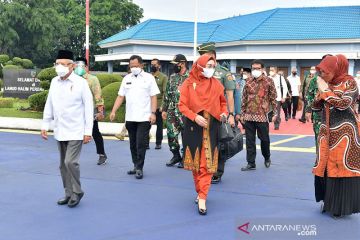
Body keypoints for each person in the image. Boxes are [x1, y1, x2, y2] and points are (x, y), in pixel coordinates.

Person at [41, 50, 93, 208]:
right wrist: (45, 125)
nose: (60, 67)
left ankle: (77, 192)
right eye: (58, 64)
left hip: (76, 129)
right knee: (62, 164)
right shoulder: (54, 82)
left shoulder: (80, 83)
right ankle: (68, 193)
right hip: (60, 129)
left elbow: (89, 108)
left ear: (72, 66)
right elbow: (49, 103)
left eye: (63, 64)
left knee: (70, 162)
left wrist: (88, 131)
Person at [179, 54, 228, 215]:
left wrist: (224, 114)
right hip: (193, 127)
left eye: (213, 66)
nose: (211, 69)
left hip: (212, 128)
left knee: (207, 165)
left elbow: (223, 103)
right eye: (208, 66)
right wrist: (195, 116)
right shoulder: (188, 83)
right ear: (199, 66)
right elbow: (182, 106)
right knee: (194, 164)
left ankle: (202, 197)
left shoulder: (216, 84)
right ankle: (200, 191)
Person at [312, 54, 360, 218]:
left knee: (340, 168)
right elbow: (315, 107)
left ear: (335, 69)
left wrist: (325, 91)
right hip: (327, 130)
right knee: (325, 167)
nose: (322, 75)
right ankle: (327, 201)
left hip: (345, 132)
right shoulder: (327, 83)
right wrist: (320, 95)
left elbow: (343, 104)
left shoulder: (350, 82)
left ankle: (340, 207)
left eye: (325, 71)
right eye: (321, 71)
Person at [110, 55, 160, 179]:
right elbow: (121, 96)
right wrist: (113, 111)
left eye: (136, 66)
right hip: (130, 117)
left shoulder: (149, 78)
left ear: (142, 65)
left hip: (144, 117)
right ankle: (135, 165)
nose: (134, 68)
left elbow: (153, 96)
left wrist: (153, 113)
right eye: (131, 66)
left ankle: (140, 167)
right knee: (132, 143)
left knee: (140, 143)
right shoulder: (126, 78)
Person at [197, 42, 235, 184]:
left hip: (219, 115)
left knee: (220, 143)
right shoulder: (199, 71)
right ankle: (205, 168)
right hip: (201, 115)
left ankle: (218, 171)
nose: (201, 58)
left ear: (212, 55)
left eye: (204, 55)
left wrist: (231, 115)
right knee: (203, 143)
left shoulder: (224, 73)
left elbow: (230, 95)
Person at [240, 60, 277, 171]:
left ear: (262, 69)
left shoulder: (269, 81)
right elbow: (244, 98)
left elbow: (273, 98)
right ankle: (251, 163)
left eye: (258, 68)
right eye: (253, 68)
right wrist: (242, 113)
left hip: (262, 115)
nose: (255, 70)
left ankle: (267, 157)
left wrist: (274, 113)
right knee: (250, 141)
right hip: (249, 116)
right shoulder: (248, 81)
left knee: (264, 139)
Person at [74, 57, 107, 165]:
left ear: (86, 67)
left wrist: (100, 111)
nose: (79, 68)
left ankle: (102, 154)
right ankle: (70, 158)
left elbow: (98, 95)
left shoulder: (92, 79)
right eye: (77, 66)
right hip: (74, 111)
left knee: (95, 131)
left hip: (89, 110)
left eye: (81, 66)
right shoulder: (71, 78)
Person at [162, 54, 189, 168]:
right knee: (171, 134)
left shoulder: (191, 77)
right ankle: (176, 155)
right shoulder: (172, 77)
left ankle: (186, 158)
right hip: (173, 110)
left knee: (186, 135)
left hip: (187, 110)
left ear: (182, 64)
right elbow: (167, 93)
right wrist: (164, 109)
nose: (174, 66)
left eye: (175, 64)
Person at [149, 58, 168, 149]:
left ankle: (158, 143)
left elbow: (165, 92)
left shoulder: (163, 77)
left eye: (154, 64)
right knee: (146, 124)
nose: (152, 66)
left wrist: (163, 106)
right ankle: (145, 143)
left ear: (159, 66)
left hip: (159, 103)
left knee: (159, 125)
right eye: (151, 64)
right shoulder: (147, 76)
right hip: (148, 104)